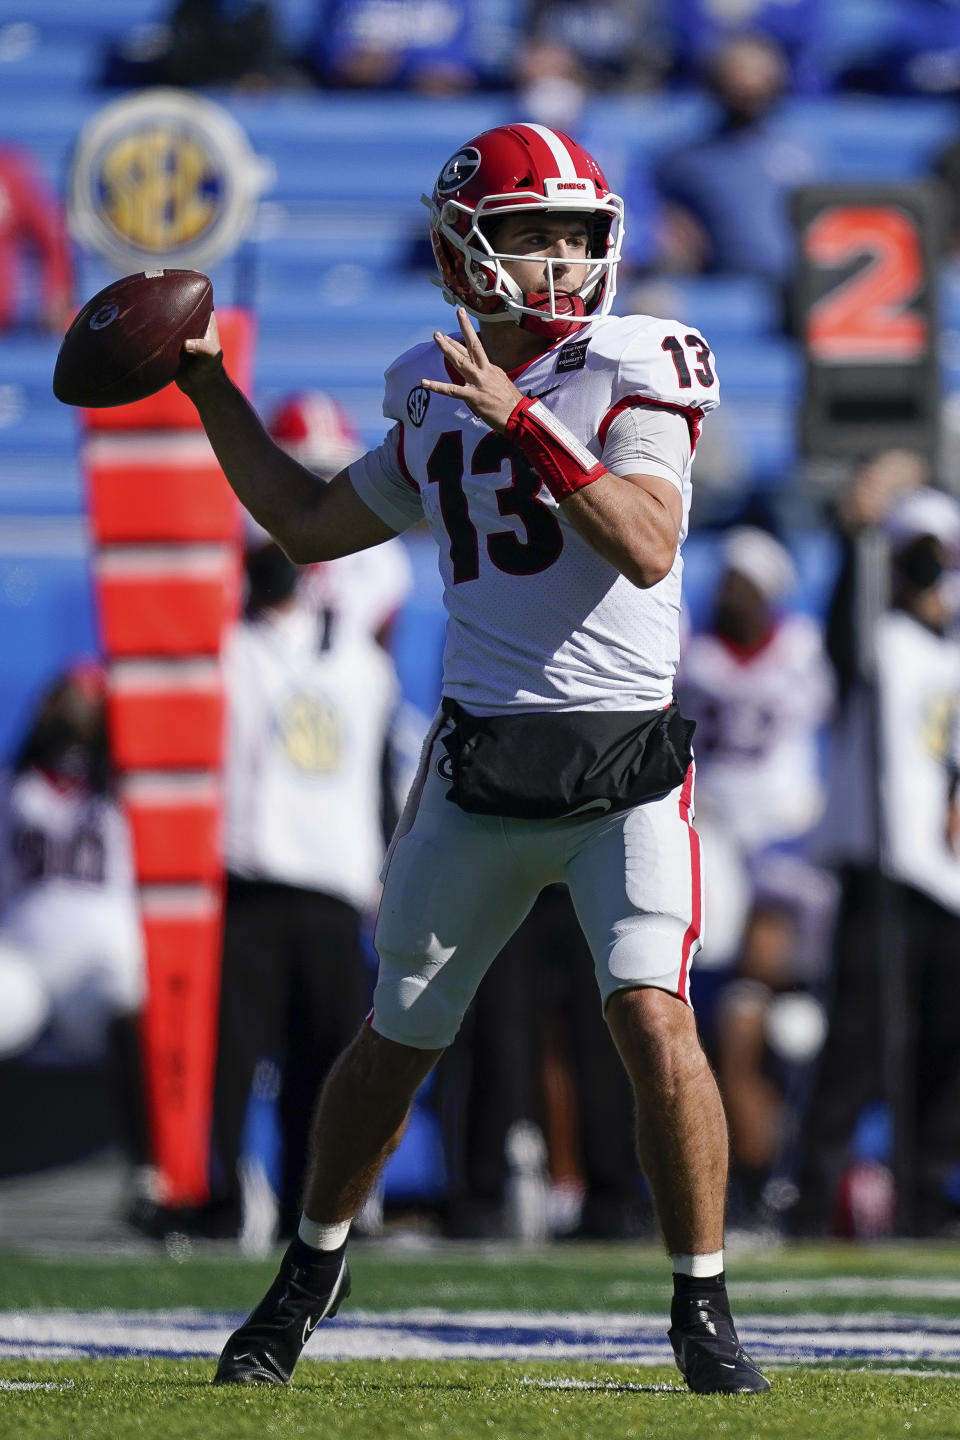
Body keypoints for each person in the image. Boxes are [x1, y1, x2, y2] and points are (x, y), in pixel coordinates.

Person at [175, 122, 769, 1395]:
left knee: (654, 1019)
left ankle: (703, 1305)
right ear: (464, 247)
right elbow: (306, 524)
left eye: (576, 233)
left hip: (624, 769)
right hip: (479, 766)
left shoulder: (634, 361)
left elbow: (649, 541)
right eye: (530, 233)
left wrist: (531, 425)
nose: (560, 258)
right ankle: (308, 1271)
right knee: (396, 1038)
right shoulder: (431, 389)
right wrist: (209, 387)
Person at [676, 527, 836, 1226]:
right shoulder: (696, 652)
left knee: (777, 1012)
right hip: (715, 833)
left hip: (791, 842)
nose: (731, 593)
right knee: (733, 1016)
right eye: (728, 581)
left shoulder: (801, 650)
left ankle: (774, 1171)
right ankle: (757, 1177)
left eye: (746, 583)